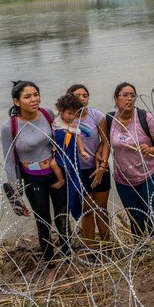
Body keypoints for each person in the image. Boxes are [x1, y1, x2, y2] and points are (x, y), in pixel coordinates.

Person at [0, 80, 71, 285]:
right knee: (44, 223)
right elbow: (10, 160)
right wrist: (15, 194)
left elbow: (59, 138)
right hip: (33, 178)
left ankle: (67, 260)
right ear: (17, 101)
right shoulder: (10, 127)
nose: (34, 99)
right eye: (28, 96)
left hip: (56, 175)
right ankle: (51, 266)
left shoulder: (47, 114)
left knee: (62, 218)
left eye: (36, 94)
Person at [102, 82, 154, 239]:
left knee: (151, 216)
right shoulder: (110, 119)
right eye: (125, 95)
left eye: (132, 95)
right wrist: (101, 160)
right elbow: (105, 144)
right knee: (135, 219)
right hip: (123, 179)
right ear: (116, 98)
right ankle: (140, 252)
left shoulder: (146, 118)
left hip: (149, 176)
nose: (129, 99)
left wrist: (151, 149)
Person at [66, 84, 112, 245]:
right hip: (79, 171)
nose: (82, 98)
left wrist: (102, 166)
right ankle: (90, 249)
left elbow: (105, 141)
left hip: (99, 168)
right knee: (87, 211)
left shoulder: (96, 115)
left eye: (85, 95)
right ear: (69, 98)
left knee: (102, 209)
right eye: (77, 95)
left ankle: (107, 247)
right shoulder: (64, 118)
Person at [49, 93, 90, 190]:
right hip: (56, 149)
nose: (72, 116)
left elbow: (78, 138)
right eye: (69, 113)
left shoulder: (73, 125)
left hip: (67, 150)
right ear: (61, 111)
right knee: (53, 164)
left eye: (74, 114)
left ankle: (66, 182)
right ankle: (61, 180)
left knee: (67, 168)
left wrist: (82, 151)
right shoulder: (56, 118)